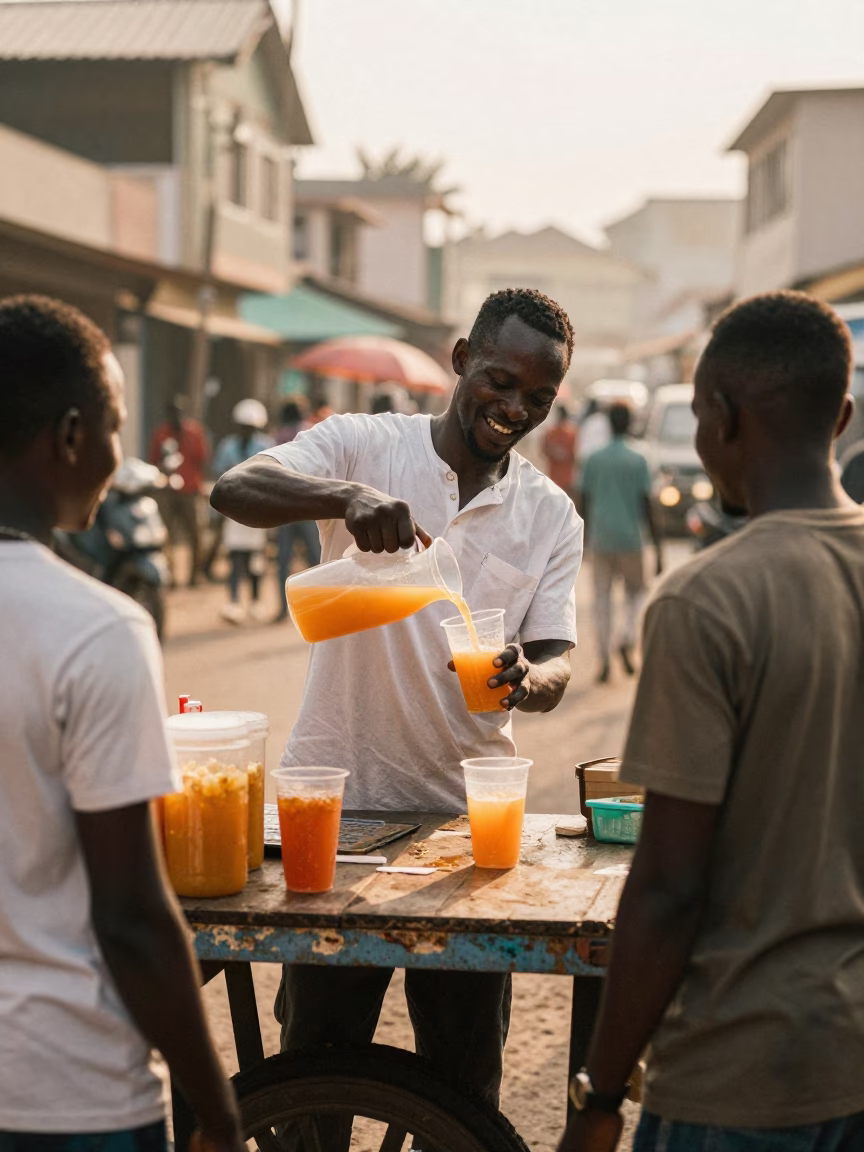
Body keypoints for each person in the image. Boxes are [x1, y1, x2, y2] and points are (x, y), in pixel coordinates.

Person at [212, 287, 584, 1137]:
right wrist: (344, 500)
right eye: (499, 380)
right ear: (459, 360)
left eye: (539, 397)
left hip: (467, 826)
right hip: (337, 811)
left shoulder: (550, 515)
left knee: (462, 1072)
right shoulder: (366, 444)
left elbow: (559, 656)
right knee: (318, 1053)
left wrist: (528, 678)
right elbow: (236, 487)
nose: (514, 407)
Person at [558, 292, 864, 1152]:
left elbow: (667, 887)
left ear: (720, 420)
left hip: (739, 1077)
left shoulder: (706, 601)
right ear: (840, 417)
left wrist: (599, 1092)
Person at [0, 296, 243, 1152]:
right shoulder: (95, 629)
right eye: (115, 427)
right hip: (65, 1092)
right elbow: (134, 913)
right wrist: (215, 1104)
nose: (119, 456)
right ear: (70, 436)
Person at [581, 403, 663, 683]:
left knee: (602, 601)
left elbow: (585, 500)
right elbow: (647, 505)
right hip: (632, 539)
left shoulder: (594, 459)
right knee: (636, 593)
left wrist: (584, 540)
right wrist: (659, 548)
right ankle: (627, 637)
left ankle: (603, 661)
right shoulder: (639, 458)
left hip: (601, 538)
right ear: (629, 423)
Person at [212, 398, 273, 624]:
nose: (247, 431)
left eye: (252, 427)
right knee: (236, 557)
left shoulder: (266, 445)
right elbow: (220, 473)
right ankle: (234, 602)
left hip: (258, 508)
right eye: (244, 427)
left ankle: (256, 602)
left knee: (255, 559)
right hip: (234, 509)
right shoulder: (228, 446)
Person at [149, 394, 209, 586]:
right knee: (166, 534)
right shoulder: (160, 434)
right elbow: (154, 461)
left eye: (178, 412)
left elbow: (202, 459)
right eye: (172, 412)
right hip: (167, 491)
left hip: (190, 491)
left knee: (195, 534)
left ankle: (195, 575)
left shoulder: (194, 432)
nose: (175, 416)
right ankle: (171, 577)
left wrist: (201, 486)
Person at [273, 400, 321, 622]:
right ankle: (323, 602)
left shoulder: (279, 436)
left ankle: (284, 608)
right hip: (309, 504)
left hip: (284, 506)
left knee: (284, 558)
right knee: (316, 558)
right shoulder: (312, 430)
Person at [543, 404, 578, 493]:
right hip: (567, 477)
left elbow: (544, 451)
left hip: (553, 476)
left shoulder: (550, 433)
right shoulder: (572, 433)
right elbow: (575, 455)